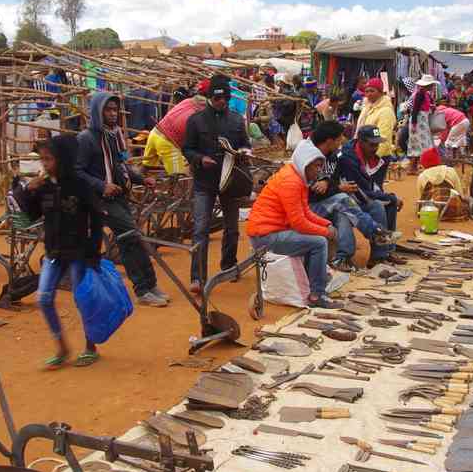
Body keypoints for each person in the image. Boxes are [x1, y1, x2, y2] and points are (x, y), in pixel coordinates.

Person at [77, 93, 169, 307]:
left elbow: (121, 165)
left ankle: (150, 284)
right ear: (97, 112)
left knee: (132, 239)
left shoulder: (113, 135)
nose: (112, 114)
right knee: (131, 238)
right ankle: (142, 289)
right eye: (107, 110)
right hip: (100, 200)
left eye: (114, 110)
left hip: (119, 195)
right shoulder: (86, 139)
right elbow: (76, 172)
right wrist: (102, 185)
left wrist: (141, 178)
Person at [23, 135, 105, 368]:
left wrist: (93, 252)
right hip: (53, 252)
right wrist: (28, 191)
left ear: (63, 159)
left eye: (49, 159)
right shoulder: (44, 186)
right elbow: (31, 215)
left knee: (82, 299)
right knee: (44, 297)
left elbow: (96, 218)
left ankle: (91, 346)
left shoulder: (80, 185)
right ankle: (61, 347)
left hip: (78, 251)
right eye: (43, 160)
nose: (45, 164)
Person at [246, 142, 341, 309]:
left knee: (322, 235)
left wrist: (327, 224)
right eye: (316, 166)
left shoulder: (297, 177)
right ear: (305, 163)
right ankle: (317, 294)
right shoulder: (291, 181)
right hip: (264, 237)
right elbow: (299, 223)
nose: (319, 171)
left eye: (320, 166)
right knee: (319, 242)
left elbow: (305, 212)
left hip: (271, 231)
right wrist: (325, 232)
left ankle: (315, 280)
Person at [182, 75, 250, 293]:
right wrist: (200, 159)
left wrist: (245, 153)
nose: (223, 102)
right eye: (219, 98)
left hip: (231, 181)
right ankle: (197, 277)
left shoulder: (237, 120)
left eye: (226, 98)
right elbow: (187, 148)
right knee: (201, 229)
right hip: (204, 181)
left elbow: (246, 145)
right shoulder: (195, 120)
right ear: (210, 97)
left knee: (232, 229)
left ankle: (229, 266)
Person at [305, 122, 396, 272]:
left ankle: (376, 255)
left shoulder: (334, 157)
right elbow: (313, 191)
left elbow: (329, 180)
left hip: (331, 200)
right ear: (329, 141)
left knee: (371, 207)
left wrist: (329, 183)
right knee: (343, 204)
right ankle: (373, 234)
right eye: (339, 139)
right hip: (312, 205)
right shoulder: (312, 158)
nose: (342, 143)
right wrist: (337, 187)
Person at [337, 125, 407, 268]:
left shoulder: (373, 158)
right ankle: (378, 256)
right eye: (372, 144)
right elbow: (359, 191)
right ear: (361, 142)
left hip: (361, 195)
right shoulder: (348, 159)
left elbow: (375, 186)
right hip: (348, 198)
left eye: (377, 144)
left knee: (390, 202)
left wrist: (388, 197)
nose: (375, 148)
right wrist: (384, 197)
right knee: (377, 206)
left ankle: (388, 250)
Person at [143, 79, 208, 175]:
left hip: (155, 133)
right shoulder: (203, 112)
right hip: (167, 141)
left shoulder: (188, 101)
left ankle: (136, 183)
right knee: (180, 176)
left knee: (147, 168)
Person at [355, 78, 397, 157]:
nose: (369, 94)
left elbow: (384, 139)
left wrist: (374, 159)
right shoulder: (367, 108)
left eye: (372, 91)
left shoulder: (386, 111)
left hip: (377, 156)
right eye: (366, 91)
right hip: (363, 155)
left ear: (381, 92)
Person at [404, 74, 437, 169]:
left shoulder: (425, 94)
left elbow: (422, 107)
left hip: (422, 121)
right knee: (420, 144)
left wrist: (431, 107)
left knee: (418, 144)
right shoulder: (420, 94)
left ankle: (413, 167)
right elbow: (415, 109)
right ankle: (419, 166)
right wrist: (414, 124)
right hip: (418, 122)